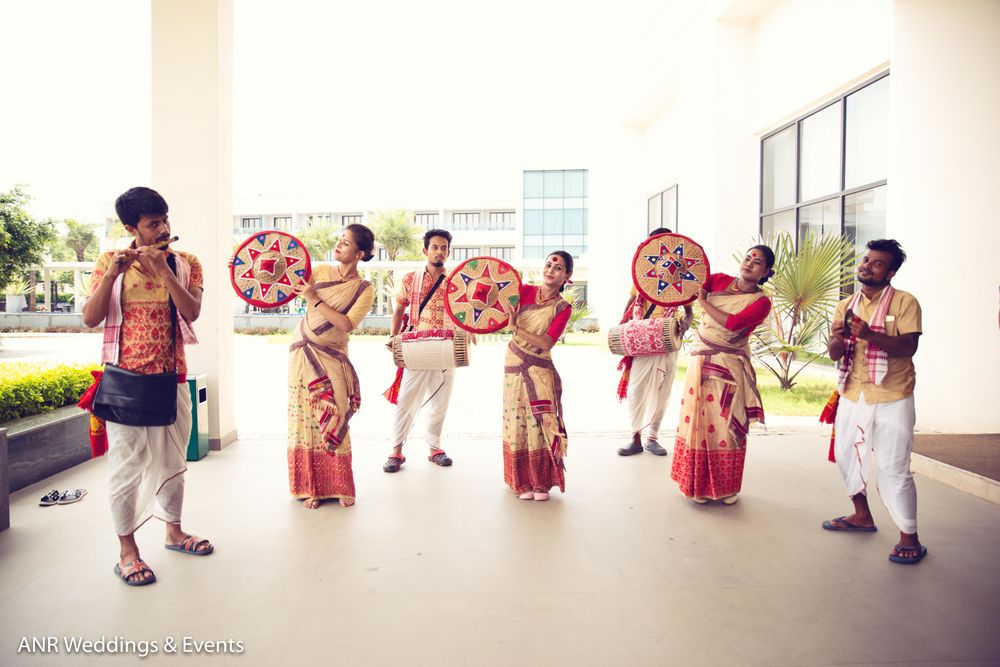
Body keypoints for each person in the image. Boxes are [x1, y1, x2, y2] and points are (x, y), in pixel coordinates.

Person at [82, 186, 210, 586]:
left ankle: (173, 531)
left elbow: (192, 311)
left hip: (172, 378)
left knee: (174, 460)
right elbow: (90, 318)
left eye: (164, 221)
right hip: (126, 381)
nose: (163, 229)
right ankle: (127, 550)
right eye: (153, 224)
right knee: (126, 467)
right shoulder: (109, 262)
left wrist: (165, 272)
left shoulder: (187, 262)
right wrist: (112, 275)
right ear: (130, 228)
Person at [822, 239, 926, 564]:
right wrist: (837, 338)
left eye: (877, 263)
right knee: (845, 457)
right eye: (866, 260)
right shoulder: (846, 305)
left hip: (893, 395)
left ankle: (910, 536)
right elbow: (835, 355)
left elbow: (908, 347)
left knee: (894, 468)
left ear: (891, 272)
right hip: (853, 392)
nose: (867, 265)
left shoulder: (906, 302)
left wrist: (867, 333)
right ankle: (861, 516)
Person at [670, 245, 774, 504]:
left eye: (757, 262)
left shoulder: (761, 302)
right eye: (748, 257)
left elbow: (733, 323)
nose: (749, 263)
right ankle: (694, 484)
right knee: (697, 421)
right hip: (700, 360)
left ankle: (727, 487)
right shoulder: (717, 280)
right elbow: (687, 283)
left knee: (726, 424)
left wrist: (703, 302)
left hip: (728, 365)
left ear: (766, 272)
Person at [287, 224, 376, 509]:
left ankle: (338, 486)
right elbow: (285, 282)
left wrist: (314, 299)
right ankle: (311, 488)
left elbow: (346, 324)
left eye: (346, 242)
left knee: (335, 412)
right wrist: (242, 266)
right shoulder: (321, 271)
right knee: (308, 417)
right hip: (303, 352)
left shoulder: (365, 289)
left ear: (359, 253)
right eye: (339, 240)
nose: (338, 245)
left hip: (333, 355)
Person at [382, 229, 457, 473]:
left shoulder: (456, 281)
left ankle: (435, 448)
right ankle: (396, 451)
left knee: (441, 400)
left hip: (447, 346)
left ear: (448, 251)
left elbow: (464, 312)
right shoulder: (410, 278)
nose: (440, 251)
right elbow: (398, 309)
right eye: (435, 247)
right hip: (417, 345)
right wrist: (393, 337)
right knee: (406, 399)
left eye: (444, 247)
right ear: (425, 250)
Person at [502, 251, 574, 500]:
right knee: (518, 418)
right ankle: (522, 481)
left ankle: (541, 482)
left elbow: (546, 343)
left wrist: (516, 328)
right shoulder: (523, 291)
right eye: (548, 264)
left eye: (558, 268)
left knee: (540, 421)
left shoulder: (563, 307)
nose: (551, 270)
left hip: (539, 367)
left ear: (567, 276)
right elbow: (493, 296)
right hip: (515, 362)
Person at [617, 227, 693, 457]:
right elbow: (631, 304)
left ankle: (652, 438)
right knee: (637, 390)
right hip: (642, 341)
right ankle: (635, 438)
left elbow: (688, 312)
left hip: (668, 340)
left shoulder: (681, 279)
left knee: (663, 390)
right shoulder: (640, 276)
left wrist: (685, 324)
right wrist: (624, 330)